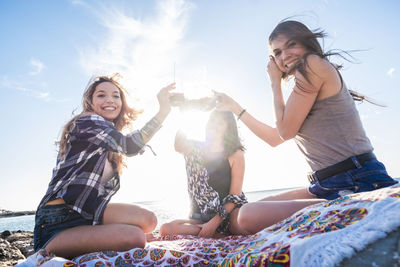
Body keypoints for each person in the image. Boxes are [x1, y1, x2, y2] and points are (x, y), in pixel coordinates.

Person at [214, 20, 398, 234]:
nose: (285, 56)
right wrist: (235, 108)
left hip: (357, 180)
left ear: (307, 43)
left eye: (292, 45)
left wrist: (274, 83)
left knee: (247, 217)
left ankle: (353, 207)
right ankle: (339, 207)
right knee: (245, 212)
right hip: (329, 183)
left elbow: (285, 131)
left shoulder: (312, 64)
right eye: (278, 52)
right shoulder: (305, 81)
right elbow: (275, 138)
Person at [33, 74, 176, 258]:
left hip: (88, 212)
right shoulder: (86, 121)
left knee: (149, 220)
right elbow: (130, 146)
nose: (110, 100)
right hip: (57, 221)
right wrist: (163, 111)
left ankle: (95, 236)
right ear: (90, 102)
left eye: (116, 96)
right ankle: (50, 246)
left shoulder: (107, 137)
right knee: (136, 238)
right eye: (101, 95)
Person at [160, 110, 250, 238]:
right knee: (166, 229)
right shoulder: (194, 148)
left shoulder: (236, 154)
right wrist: (188, 110)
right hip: (200, 216)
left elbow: (234, 197)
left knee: (240, 225)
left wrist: (214, 223)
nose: (214, 125)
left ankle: (217, 231)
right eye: (212, 120)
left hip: (228, 214)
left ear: (228, 127)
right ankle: (218, 234)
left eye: (220, 123)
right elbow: (178, 145)